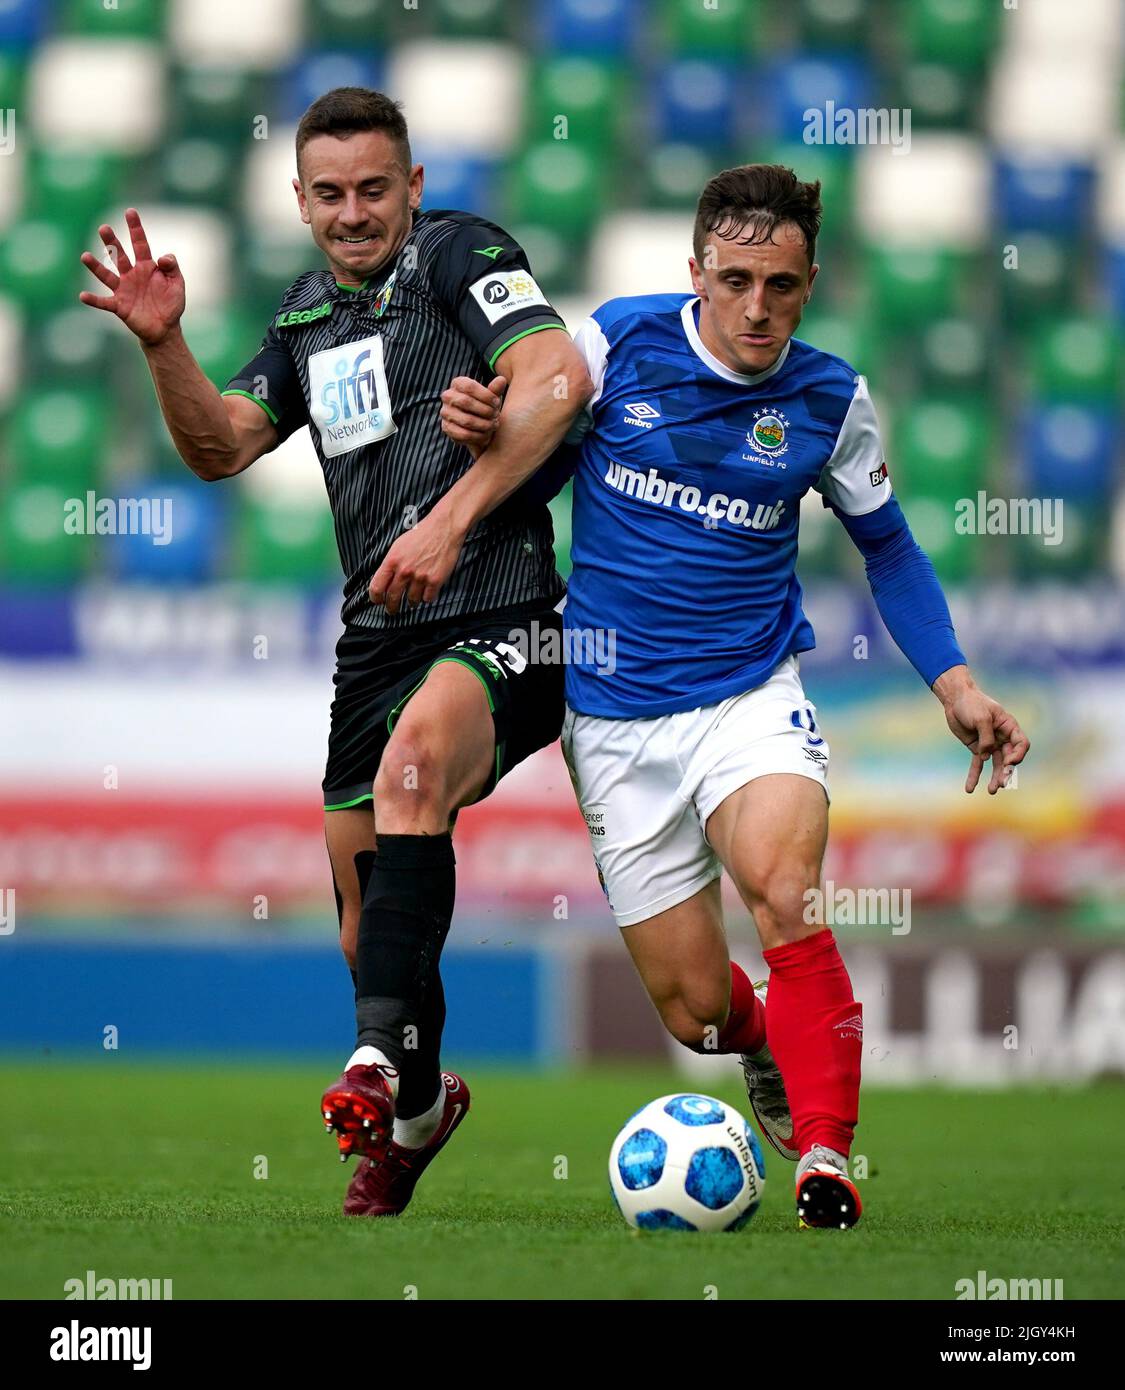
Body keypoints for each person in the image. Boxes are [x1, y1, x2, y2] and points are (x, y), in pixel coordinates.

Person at [433, 165, 1030, 1229]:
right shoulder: (618, 344)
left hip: (749, 696)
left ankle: (826, 1159)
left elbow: (888, 548)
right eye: (739, 279)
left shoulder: (831, 398)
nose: (760, 308)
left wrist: (956, 682)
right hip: (614, 719)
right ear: (696, 272)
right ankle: (756, 1048)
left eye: (785, 286)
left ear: (810, 284)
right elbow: (527, 467)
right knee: (699, 1012)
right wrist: (487, 428)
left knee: (787, 895)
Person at [79, 87, 592, 1217]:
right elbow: (219, 447)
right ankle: (415, 1108)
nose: (354, 212)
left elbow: (560, 379)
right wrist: (165, 346)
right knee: (371, 932)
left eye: (375, 188)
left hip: (502, 613)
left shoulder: (465, 255)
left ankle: (367, 1066)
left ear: (413, 186)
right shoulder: (306, 316)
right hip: (376, 644)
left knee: (415, 775)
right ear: (299, 200)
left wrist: (454, 515)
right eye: (330, 193)